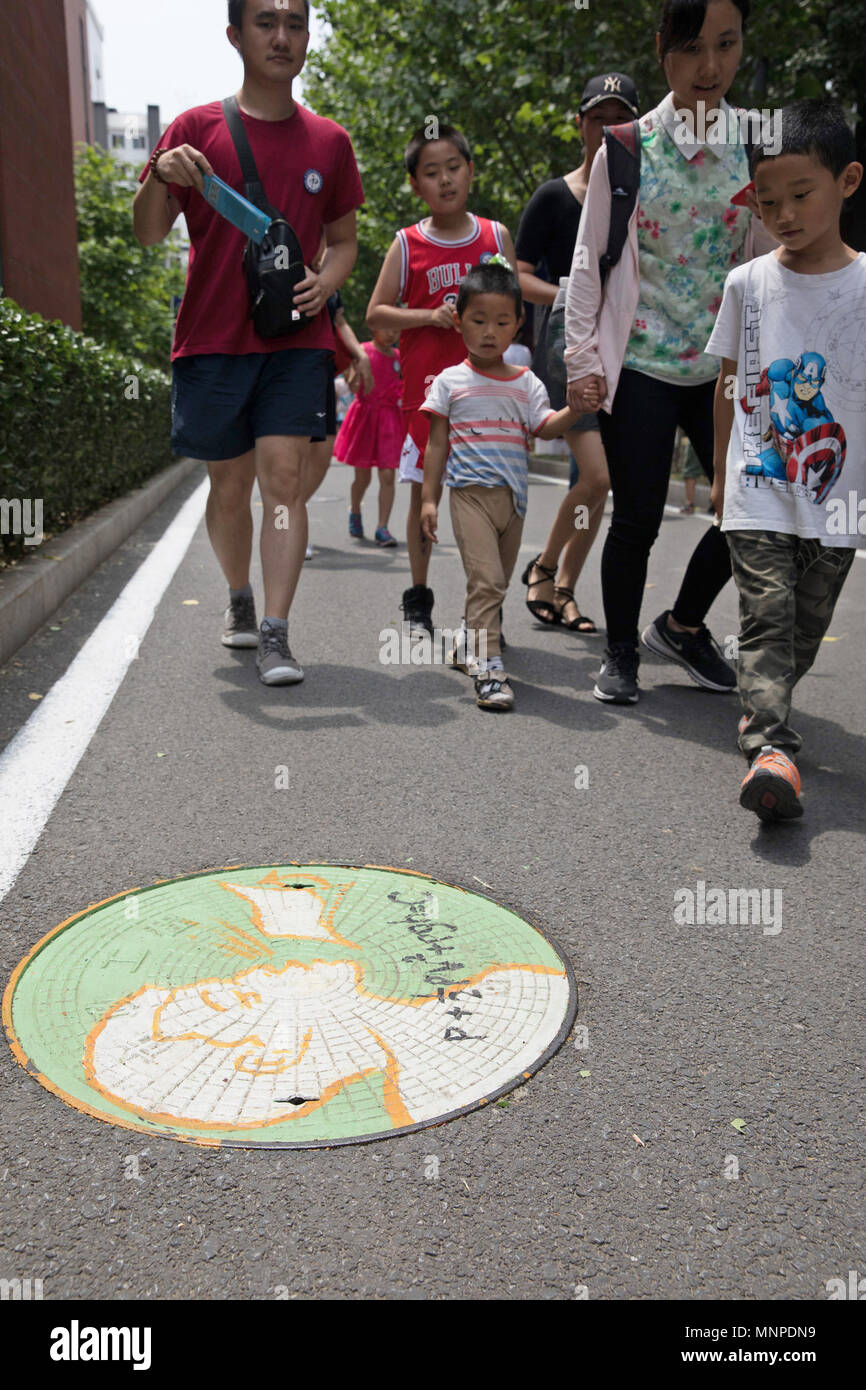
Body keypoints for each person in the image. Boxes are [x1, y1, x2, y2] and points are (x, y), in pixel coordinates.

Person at [133, 0, 364, 685]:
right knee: (229, 484)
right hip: (212, 340)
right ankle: (239, 595)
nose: (282, 36)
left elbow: (345, 240)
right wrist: (158, 175)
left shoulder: (330, 141)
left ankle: (276, 631)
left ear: (307, 38)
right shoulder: (195, 129)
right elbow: (148, 232)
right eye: (267, 23)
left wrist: (324, 285)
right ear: (236, 35)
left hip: (297, 342)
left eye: (295, 24)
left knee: (284, 480)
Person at [565, 0, 777, 703]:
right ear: (663, 49)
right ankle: (621, 653)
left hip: (724, 368)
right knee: (639, 517)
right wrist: (584, 365)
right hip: (644, 363)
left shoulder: (756, 142)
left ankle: (683, 627)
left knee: (748, 505)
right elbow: (589, 264)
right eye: (692, 48)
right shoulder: (626, 147)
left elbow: (771, 256)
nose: (710, 66)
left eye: (728, 44)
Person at [707, 98, 864, 821]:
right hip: (758, 485)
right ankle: (771, 748)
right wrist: (718, 471)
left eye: (802, 194)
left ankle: (760, 705)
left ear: (849, 181)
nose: (785, 214)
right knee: (767, 613)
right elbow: (730, 382)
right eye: (769, 202)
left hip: (838, 498)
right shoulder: (748, 285)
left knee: (802, 626)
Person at [366, 124, 516, 636]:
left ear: (470, 171)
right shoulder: (407, 245)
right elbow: (376, 314)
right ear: (415, 184)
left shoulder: (496, 237)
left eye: (454, 167)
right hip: (428, 398)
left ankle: (485, 608)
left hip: (489, 395)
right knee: (421, 497)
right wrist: (427, 317)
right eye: (431, 173)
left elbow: (512, 306)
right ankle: (419, 595)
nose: (445, 180)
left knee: (492, 497)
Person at [419, 261, 584, 711]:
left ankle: (465, 645)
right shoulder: (450, 382)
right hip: (469, 494)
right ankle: (488, 671)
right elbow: (436, 446)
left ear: (518, 325)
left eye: (502, 321)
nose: (490, 332)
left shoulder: (526, 382)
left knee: (494, 584)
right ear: (459, 321)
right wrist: (428, 499)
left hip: (514, 503)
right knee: (488, 581)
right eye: (478, 320)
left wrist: (574, 409)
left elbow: (546, 427)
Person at [516, 73, 640, 635]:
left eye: (620, 119)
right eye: (597, 118)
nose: (607, 129)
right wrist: (569, 291)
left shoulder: (640, 192)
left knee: (589, 483)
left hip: (630, 346)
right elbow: (516, 277)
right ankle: (542, 568)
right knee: (599, 474)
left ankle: (563, 588)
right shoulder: (553, 196)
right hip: (568, 342)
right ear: (580, 124)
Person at [303, 243, 374, 560]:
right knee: (290, 456)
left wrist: (360, 355)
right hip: (286, 371)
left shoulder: (330, 278)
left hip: (320, 373)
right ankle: (285, 526)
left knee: (322, 451)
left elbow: (339, 322)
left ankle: (289, 513)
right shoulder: (285, 264)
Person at [334, 327, 403, 545]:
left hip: (390, 420)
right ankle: (355, 511)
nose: (392, 333)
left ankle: (382, 527)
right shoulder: (363, 351)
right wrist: (354, 375)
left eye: (397, 329)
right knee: (362, 477)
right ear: (374, 327)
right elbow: (352, 385)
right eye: (388, 328)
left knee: (388, 475)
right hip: (365, 417)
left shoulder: (400, 357)